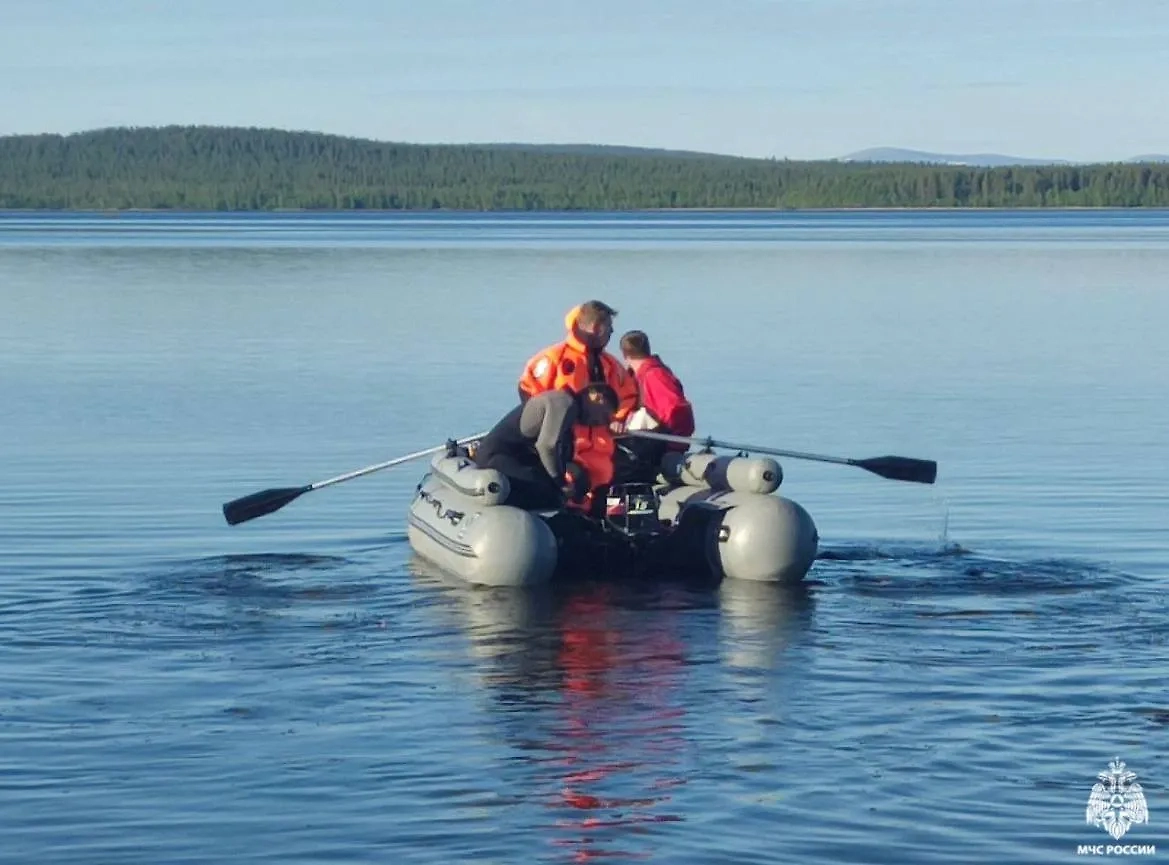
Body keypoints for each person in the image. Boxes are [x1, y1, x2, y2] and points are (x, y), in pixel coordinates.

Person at [517, 301, 639, 501]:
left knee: (602, 497)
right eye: (609, 328)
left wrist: (619, 418)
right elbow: (529, 390)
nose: (612, 333)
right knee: (573, 491)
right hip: (566, 448)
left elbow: (628, 394)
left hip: (601, 452)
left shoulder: (610, 365)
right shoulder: (554, 358)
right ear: (596, 328)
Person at [473, 385, 620, 511]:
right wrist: (561, 483)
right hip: (496, 457)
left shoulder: (567, 411)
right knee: (550, 495)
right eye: (604, 416)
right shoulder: (564, 403)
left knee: (563, 488)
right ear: (596, 397)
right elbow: (547, 446)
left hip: (513, 456)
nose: (600, 422)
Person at [615, 330, 696, 483]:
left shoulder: (654, 376)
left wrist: (673, 448)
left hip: (653, 448)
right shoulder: (638, 378)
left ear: (625, 356)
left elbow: (678, 410)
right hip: (645, 446)